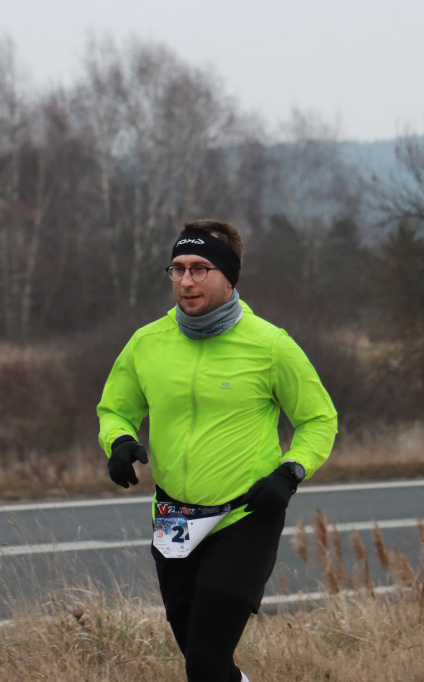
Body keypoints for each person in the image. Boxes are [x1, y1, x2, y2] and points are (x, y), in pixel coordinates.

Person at [97, 219, 338, 682]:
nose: (186, 281)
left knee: (206, 659)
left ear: (229, 277)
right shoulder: (147, 343)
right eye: (178, 269)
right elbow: (115, 409)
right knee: (200, 660)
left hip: (244, 516)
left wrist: (290, 473)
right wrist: (120, 441)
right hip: (173, 516)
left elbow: (318, 419)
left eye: (200, 269)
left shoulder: (270, 346)